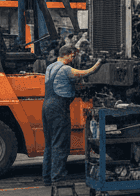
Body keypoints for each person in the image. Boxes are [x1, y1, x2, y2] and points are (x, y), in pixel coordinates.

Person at [42, 44, 101, 186]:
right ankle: (58, 177)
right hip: (58, 108)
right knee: (60, 143)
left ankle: (47, 177)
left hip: (46, 107)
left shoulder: (50, 68)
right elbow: (87, 72)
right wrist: (99, 62)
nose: (73, 59)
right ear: (68, 54)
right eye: (73, 56)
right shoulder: (66, 69)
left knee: (49, 143)